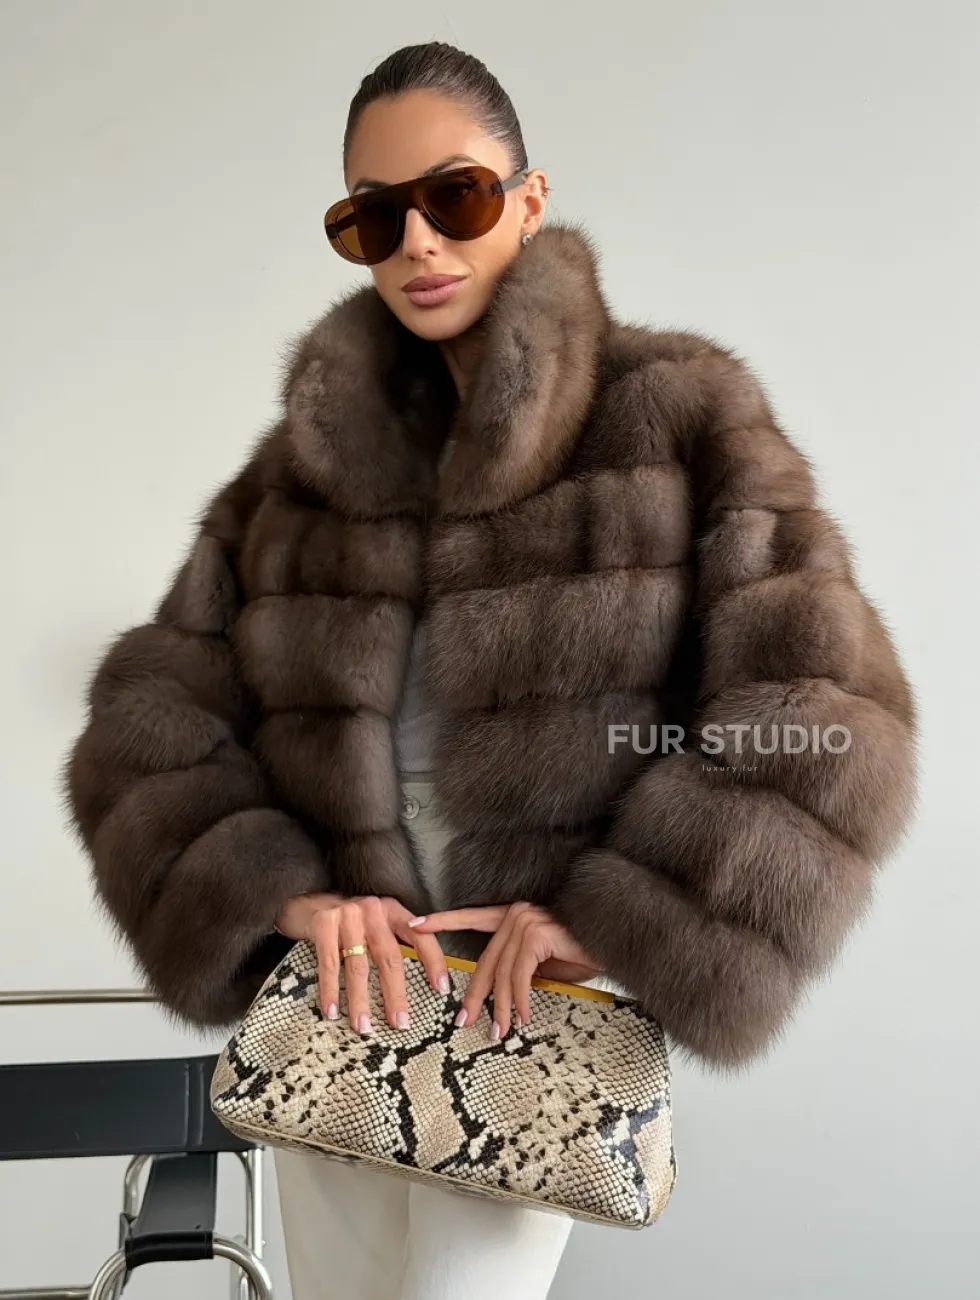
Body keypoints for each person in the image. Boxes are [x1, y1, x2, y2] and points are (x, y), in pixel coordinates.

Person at [61, 39, 917, 1300]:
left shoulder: (675, 413)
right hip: (345, 997)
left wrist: (616, 913)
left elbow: (825, 716)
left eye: (453, 195)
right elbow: (146, 718)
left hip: (519, 1003)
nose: (417, 240)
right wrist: (282, 893)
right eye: (374, 215)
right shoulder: (299, 474)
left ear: (527, 197)